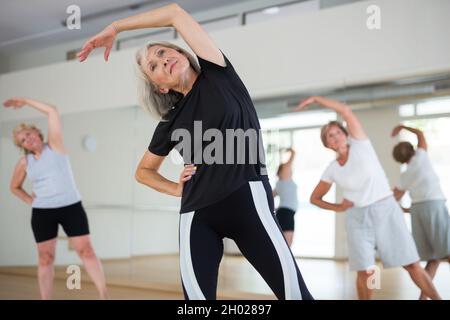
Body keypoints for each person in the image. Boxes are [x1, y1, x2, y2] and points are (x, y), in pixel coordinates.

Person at [77, 3, 313, 300]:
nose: (162, 61)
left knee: (296, 295)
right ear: (160, 87)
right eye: (153, 66)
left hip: (248, 201)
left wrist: (116, 28)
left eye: (163, 52)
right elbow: (143, 172)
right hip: (197, 214)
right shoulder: (171, 121)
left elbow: (175, 13)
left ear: (180, 52)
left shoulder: (219, 74)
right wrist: (176, 188)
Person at [294, 95, 441, 300]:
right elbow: (315, 198)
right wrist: (339, 207)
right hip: (357, 218)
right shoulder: (332, 169)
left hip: (385, 210)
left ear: (345, 134)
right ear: (327, 144)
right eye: (330, 135)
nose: (335, 137)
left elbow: (345, 110)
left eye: (337, 132)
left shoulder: (361, 144)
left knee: (411, 264)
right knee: (367, 269)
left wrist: (316, 98)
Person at [5, 97, 108, 300]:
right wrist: (30, 201)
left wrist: (24, 101)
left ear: (36, 131)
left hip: (71, 206)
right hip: (43, 212)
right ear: (22, 146)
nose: (28, 139)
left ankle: (104, 295)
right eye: (23, 140)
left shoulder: (55, 145)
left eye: (28, 134)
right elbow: (14, 187)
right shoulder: (24, 162)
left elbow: (52, 111)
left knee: (86, 251)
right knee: (45, 258)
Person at [391, 124, 450, 300]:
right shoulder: (421, 158)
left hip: (418, 211)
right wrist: (401, 127)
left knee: (433, 258)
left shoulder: (404, 176)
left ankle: (423, 298)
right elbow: (420, 133)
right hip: (434, 206)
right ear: (412, 150)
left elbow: (394, 199)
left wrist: (405, 209)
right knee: (447, 252)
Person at [273, 148, 298, 246]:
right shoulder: (285, 179)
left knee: (286, 242)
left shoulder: (279, 184)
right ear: (283, 171)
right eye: (288, 168)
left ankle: (282, 260)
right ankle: (284, 261)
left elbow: (268, 198)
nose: (290, 169)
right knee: (287, 243)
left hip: (284, 212)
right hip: (286, 213)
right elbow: (293, 154)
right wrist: (288, 150)